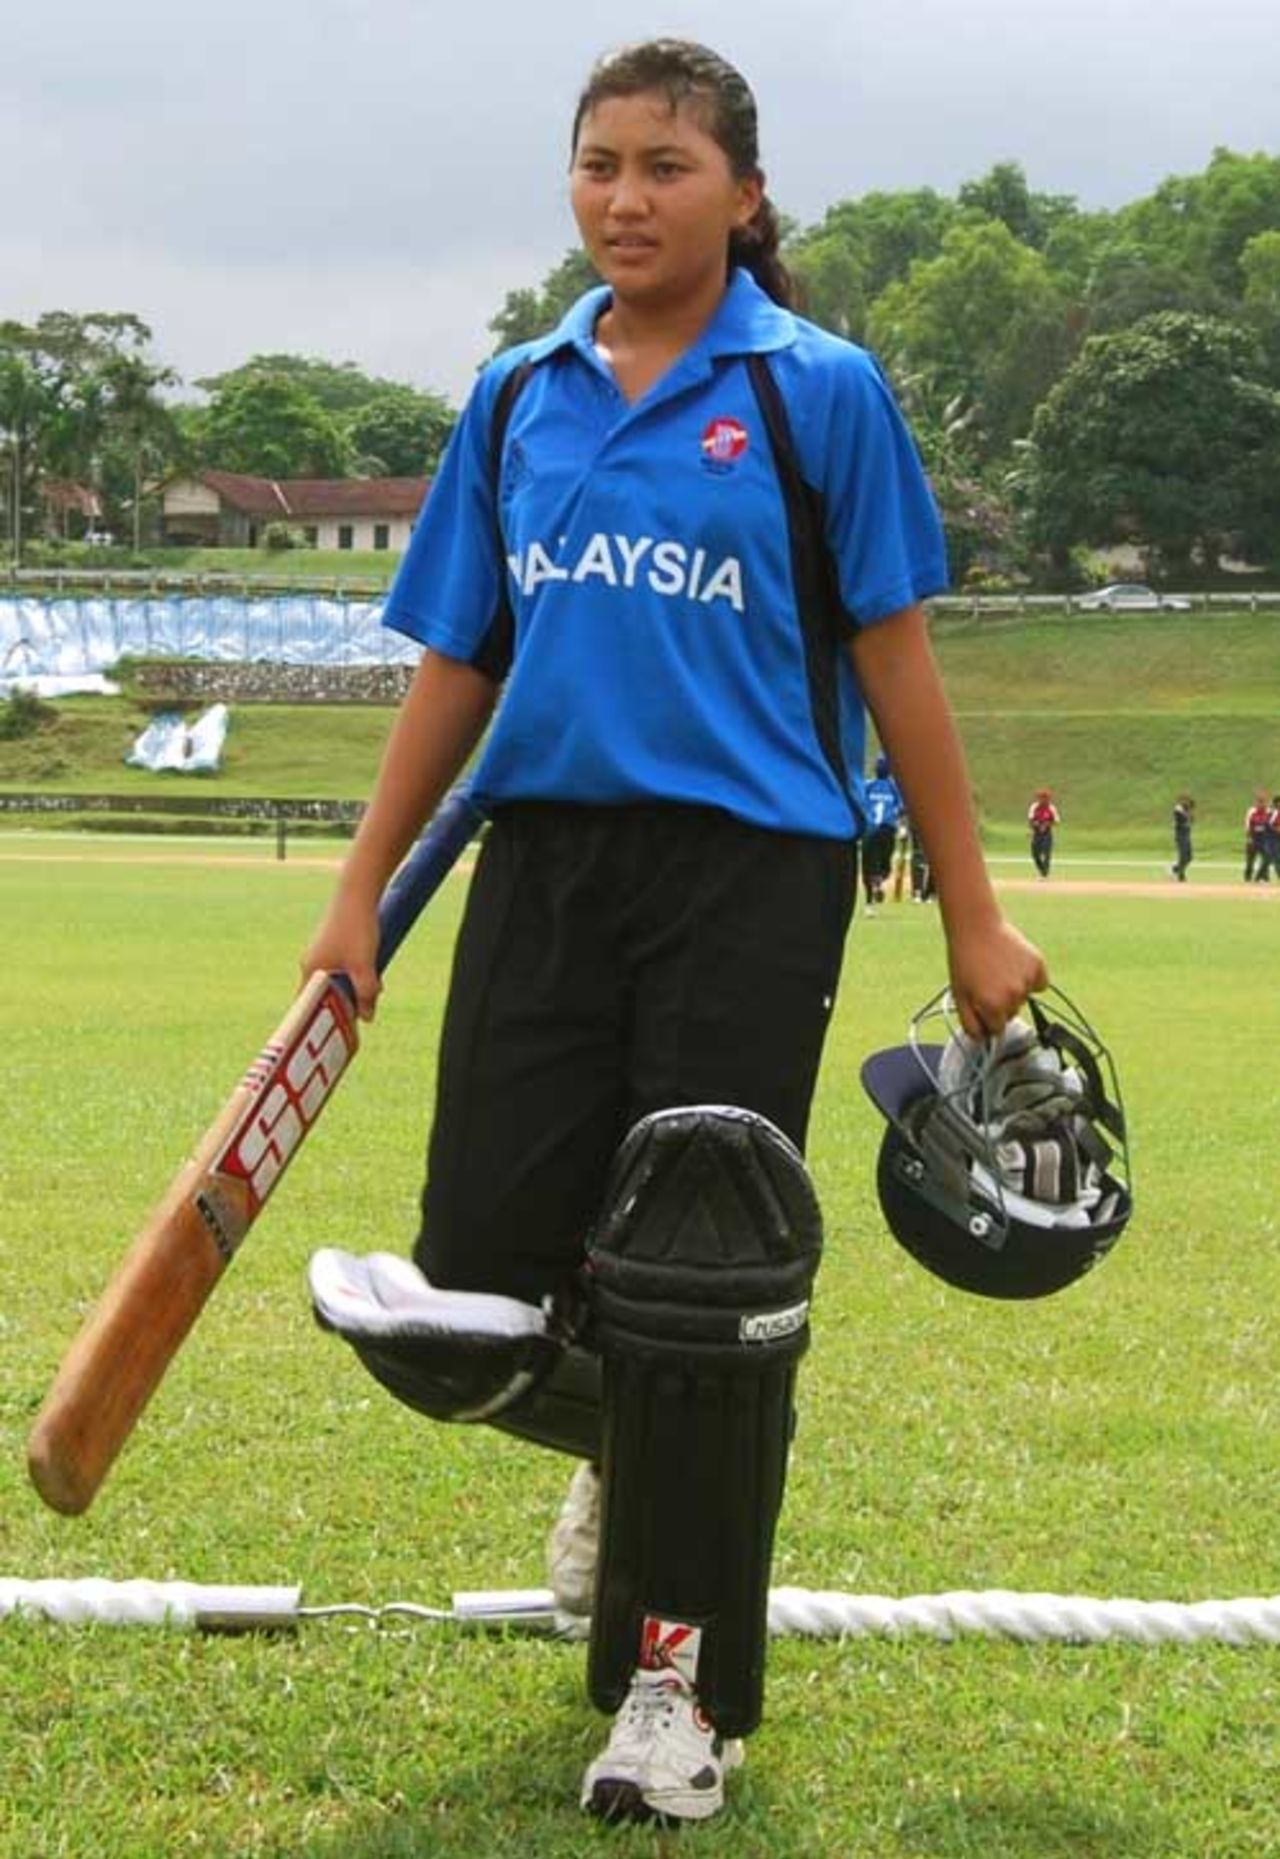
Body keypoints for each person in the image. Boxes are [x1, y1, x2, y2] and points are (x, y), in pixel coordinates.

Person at [300, 38, 1046, 1828]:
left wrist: (973, 908)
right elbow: (459, 659)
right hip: (543, 863)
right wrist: (359, 885)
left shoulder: (817, 393)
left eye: (665, 167)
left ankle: (675, 1694)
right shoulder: (519, 394)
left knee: (702, 1284)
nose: (625, 199)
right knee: (475, 1281)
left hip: (751, 870)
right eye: (599, 165)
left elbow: (896, 660)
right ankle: (645, 1430)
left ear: (745, 193)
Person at [861, 752, 904, 912]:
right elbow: (901, 808)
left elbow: (859, 803)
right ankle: (878, 882)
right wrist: (901, 825)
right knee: (884, 866)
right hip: (887, 830)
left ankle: (869, 902)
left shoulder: (868, 785)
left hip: (870, 830)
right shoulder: (894, 787)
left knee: (868, 866)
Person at [1028, 788, 1060, 878]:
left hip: (1047, 833)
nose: (1043, 800)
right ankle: (1042, 869)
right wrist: (1035, 825)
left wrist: (1046, 825)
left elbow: (1056, 820)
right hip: (1036, 833)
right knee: (1035, 853)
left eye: (1045, 798)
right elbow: (1030, 820)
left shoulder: (1051, 808)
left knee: (1046, 853)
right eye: (1041, 798)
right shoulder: (1034, 807)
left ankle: (1044, 873)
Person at [1244, 792, 1270, 882]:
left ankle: (1263, 877)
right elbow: (1247, 825)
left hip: (1264, 839)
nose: (1261, 804)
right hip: (1253, 838)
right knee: (1250, 861)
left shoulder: (1269, 812)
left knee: (1267, 859)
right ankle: (1248, 877)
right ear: (1256, 802)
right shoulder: (1251, 811)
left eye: (1263, 802)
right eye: (1259, 801)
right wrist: (1249, 838)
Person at [1171, 795, 1194, 882]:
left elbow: (1191, 820)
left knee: (1189, 857)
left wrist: (1189, 812)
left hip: (1187, 836)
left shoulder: (1186, 812)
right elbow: (1180, 817)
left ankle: (1175, 869)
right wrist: (1187, 812)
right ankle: (1181, 875)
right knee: (1183, 856)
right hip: (1180, 836)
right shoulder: (1178, 811)